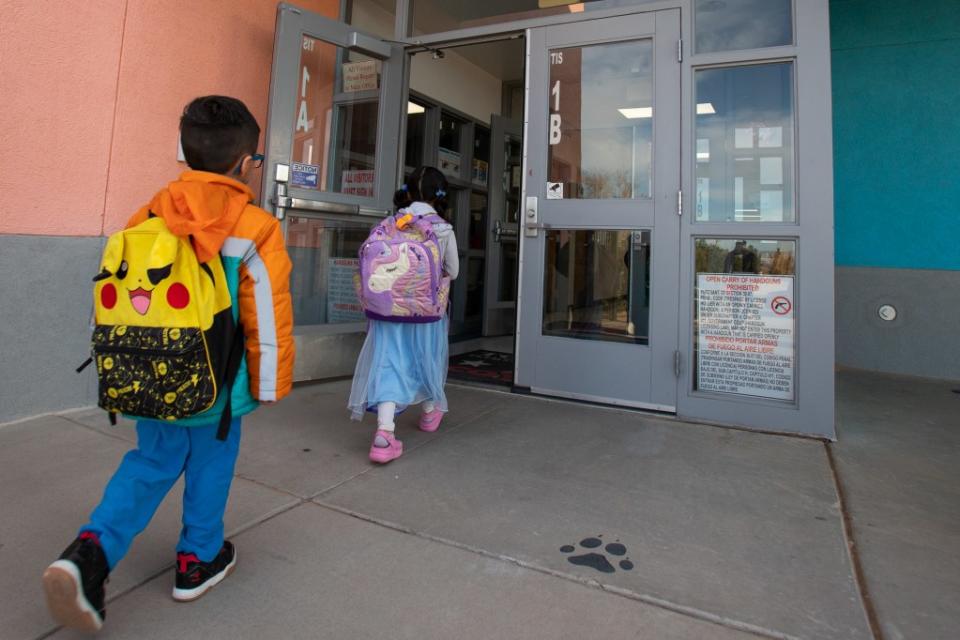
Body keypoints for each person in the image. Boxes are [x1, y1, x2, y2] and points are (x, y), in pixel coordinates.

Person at [41, 96, 295, 633]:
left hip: (150, 376)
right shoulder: (254, 226)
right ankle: (195, 559)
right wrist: (271, 382)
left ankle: (90, 552)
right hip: (217, 386)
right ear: (246, 163)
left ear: (183, 152)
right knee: (210, 464)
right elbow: (266, 312)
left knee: (149, 462)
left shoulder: (148, 214)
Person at [348, 166, 459, 463]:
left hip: (387, 311)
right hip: (426, 310)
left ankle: (384, 434)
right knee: (425, 357)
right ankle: (428, 411)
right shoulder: (443, 228)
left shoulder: (389, 223)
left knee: (389, 362)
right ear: (440, 195)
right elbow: (454, 271)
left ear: (407, 192)